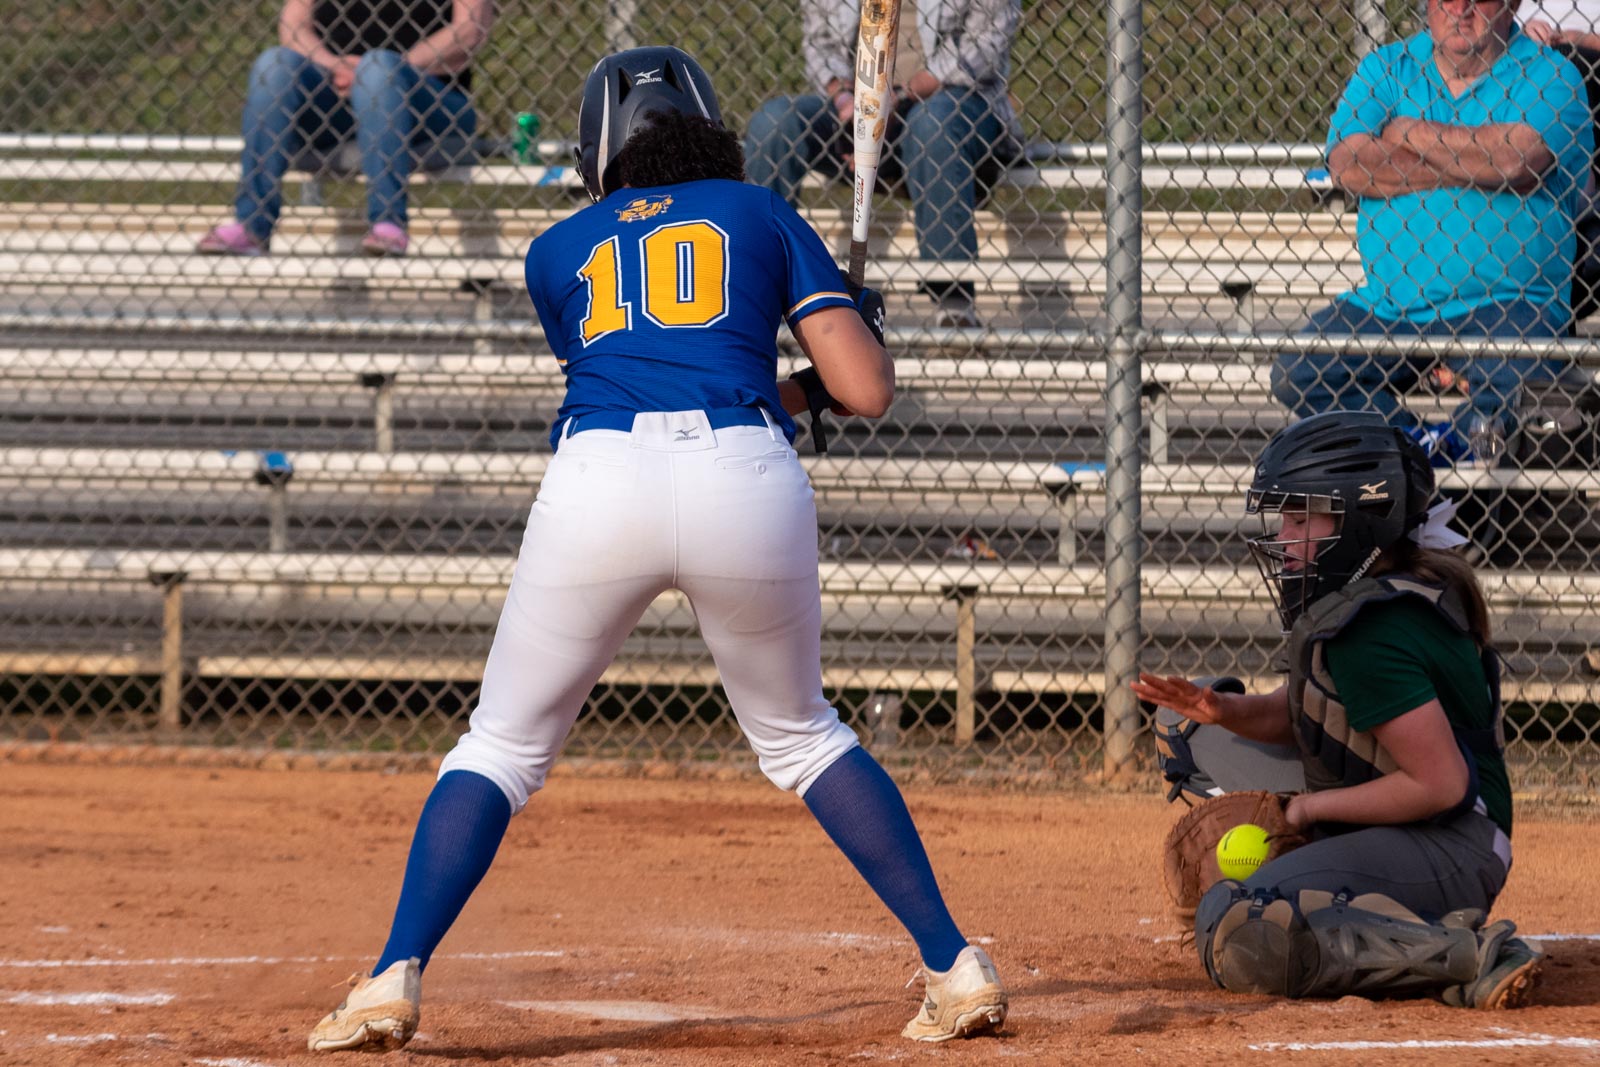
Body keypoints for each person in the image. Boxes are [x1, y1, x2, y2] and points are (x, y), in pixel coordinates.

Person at [305, 46, 1007, 1053]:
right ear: (711, 128)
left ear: (599, 149)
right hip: (743, 476)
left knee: (501, 748)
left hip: (601, 481)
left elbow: (643, 365)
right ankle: (953, 961)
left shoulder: (556, 247)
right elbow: (863, 392)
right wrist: (848, 334)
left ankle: (392, 975)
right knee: (804, 738)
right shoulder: (760, 210)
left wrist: (811, 360)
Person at [1131, 411, 1544, 1009]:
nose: (1283, 537)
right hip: (1418, 819)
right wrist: (1217, 707)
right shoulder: (1378, 593)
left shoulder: (1370, 632)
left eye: (1302, 519)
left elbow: (1441, 785)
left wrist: (1306, 811)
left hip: (1454, 844)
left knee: (1238, 927)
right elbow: (1307, 717)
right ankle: (1346, 881)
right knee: (1189, 731)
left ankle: (1462, 956)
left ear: (1359, 523)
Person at [1272, 0, 1593, 464]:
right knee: (1299, 372)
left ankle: (1454, 469)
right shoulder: (1388, 67)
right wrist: (1475, 164)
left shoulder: (1552, 74)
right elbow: (1349, 164)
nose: (1459, 8)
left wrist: (1407, 131)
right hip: (1391, 304)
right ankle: (1417, 452)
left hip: (1511, 301)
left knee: (1521, 378)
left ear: (1512, 4)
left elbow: (1515, 160)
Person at [744, 0, 1024, 328]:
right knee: (774, 123)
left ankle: (954, 307)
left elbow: (984, 47)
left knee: (932, 125)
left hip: (951, 100)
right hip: (857, 100)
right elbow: (820, 44)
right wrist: (848, 100)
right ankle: (761, 296)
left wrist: (896, 97)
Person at [197, 0, 494, 257]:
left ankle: (388, 222)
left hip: (431, 103)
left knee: (378, 68)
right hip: (336, 98)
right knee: (274, 63)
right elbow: (293, 26)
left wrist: (384, 70)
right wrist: (335, 66)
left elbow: (470, 29)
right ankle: (252, 225)